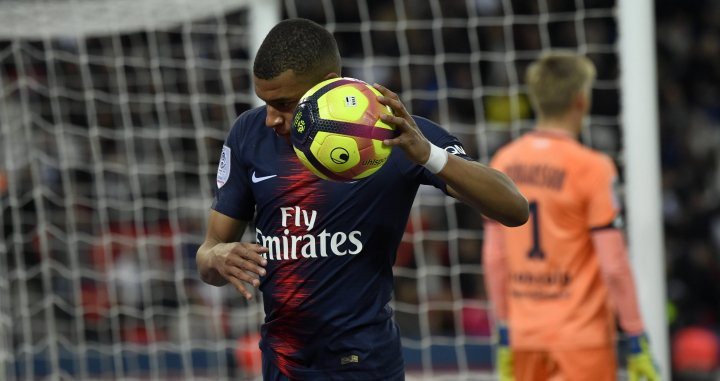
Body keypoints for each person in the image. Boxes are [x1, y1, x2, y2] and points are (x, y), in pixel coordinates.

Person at [195, 18, 528, 380]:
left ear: (327, 86)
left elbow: (514, 208)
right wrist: (217, 256)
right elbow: (208, 256)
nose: (271, 118)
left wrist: (428, 154)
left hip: (365, 365)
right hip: (282, 365)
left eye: (285, 104)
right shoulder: (248, 133)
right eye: (266, 103)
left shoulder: (391, 135)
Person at [482, 51, 660, 381]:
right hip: (581, 338)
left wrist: (504, 332)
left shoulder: (504, 160)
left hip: (525, 336)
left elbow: (494, 258)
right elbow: (614, 264)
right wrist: (635, 336)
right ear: (581, 100)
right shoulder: (592, 168)